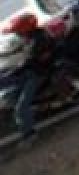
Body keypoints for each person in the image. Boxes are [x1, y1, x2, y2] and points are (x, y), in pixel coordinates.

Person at [1, 13, 55, 146]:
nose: (16, 34)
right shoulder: (33, 35)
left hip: (37, 74)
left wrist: (11, 71)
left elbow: (27, 62)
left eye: (17, 31)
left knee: (20, 108)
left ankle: (29, 135)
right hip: (29, 70)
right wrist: (4, 54)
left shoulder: (38, 41)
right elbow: (21, 50)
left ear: (25, 29)